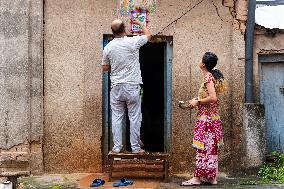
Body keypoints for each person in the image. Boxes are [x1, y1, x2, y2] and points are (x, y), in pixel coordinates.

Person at [102, 19, 151, 154]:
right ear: (125, 29)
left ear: (112, 32)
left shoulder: (108, 47)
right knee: (134, 117)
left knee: (117, 117)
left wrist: (117, 65)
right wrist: (141, 24)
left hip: (116, 86)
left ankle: (117, 147)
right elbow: (148, 36)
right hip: (132, 86)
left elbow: (105, 68)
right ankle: (135, 148)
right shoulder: (132, 41)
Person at [179, 52, 227, 186]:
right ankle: (212, 178)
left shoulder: (208, 77)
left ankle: (197, 178)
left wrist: (198, 102)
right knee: (210, 148)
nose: (199, 61)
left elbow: (213, 98)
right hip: (212, 118)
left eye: (201, 59)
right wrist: (197, 100)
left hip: (207, 119)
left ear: (204, 64)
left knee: (202, 148)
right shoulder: (213, 74)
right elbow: (210, 96)